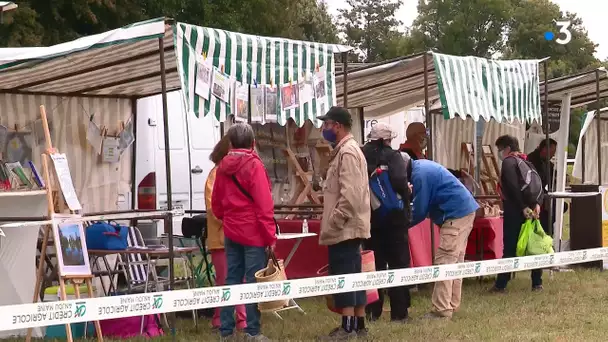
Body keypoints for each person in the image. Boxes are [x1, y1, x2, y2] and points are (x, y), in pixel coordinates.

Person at [212, 123, 276, 342]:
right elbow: (264, 205)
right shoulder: (254, 165)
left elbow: (216, 205)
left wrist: (229, 219)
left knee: (231, 279)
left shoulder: (221, 167)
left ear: (230, 143)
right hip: (254, 233)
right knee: (252, 281)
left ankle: (226, 331)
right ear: (253, 143)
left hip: (231, 231)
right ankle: (252, 331)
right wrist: (270, 237)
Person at [317, 107, 371, 340]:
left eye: (326, 124)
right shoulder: (345, 150)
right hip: (350, 225)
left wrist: (335, 221)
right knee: (354, 276)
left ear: (337, 126)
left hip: (345, 227)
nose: (323, 129)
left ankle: (347, 328)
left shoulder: (347, 153)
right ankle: (359, 325)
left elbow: (350, 195)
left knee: (345, 278)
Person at [405, 153, 479, 320]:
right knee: (456, 262)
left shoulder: (419, 175)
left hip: (455, 215)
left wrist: (401, 225)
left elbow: (420, 209)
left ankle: (441, 310)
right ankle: (452, 304)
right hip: (465, 211)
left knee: (445, 261)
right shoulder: (422, 166)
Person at [361, 123, 412, 322]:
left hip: (371, 218)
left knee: (374, 266)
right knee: (399, 263)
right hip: (394, 218)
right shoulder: (393, 156)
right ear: (387, 139)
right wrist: (407, 191)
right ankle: (399, 313)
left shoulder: (361, 155)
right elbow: (400, 180)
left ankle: (373, 311)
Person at [490, 135, 543, 293]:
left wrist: (522, 207)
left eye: (500, 150)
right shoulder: (527, 161)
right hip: (532, 209)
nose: (499, 153)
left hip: (515, 210)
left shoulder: (508, 162)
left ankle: (501, 285)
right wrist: (537, 204)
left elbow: (512, 186)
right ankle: (537, 283)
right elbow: (538, 184)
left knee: (510, 247)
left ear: (507, 149)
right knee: (533, 246)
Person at [205, 135, 247, 332]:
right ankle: (239, 321)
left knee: (235, 279)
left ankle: (221, 320)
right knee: (227, 280)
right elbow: (214, 209)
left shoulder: (234, 174)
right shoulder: (215, 175)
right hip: (222, 239)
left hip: (235, 236)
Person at [399, 122, 467, 179]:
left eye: (426, 133)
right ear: (414, 135)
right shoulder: (406, 155)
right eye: (424, 133)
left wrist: (458, 173)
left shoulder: (418, 153)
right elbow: (432, 171)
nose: (426, 136)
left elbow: (436, 169)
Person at [527, 138, 566, 236]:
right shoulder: (531, 160)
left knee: (562, 205)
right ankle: (544, 231)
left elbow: (552, 173)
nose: (553, 155)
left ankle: (547, 230)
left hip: (543, 193)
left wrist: (560, 176)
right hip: (533, 195)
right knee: (549, 210)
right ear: (545, 149)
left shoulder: (546, 162)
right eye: (552, 151)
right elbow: (537, 179)